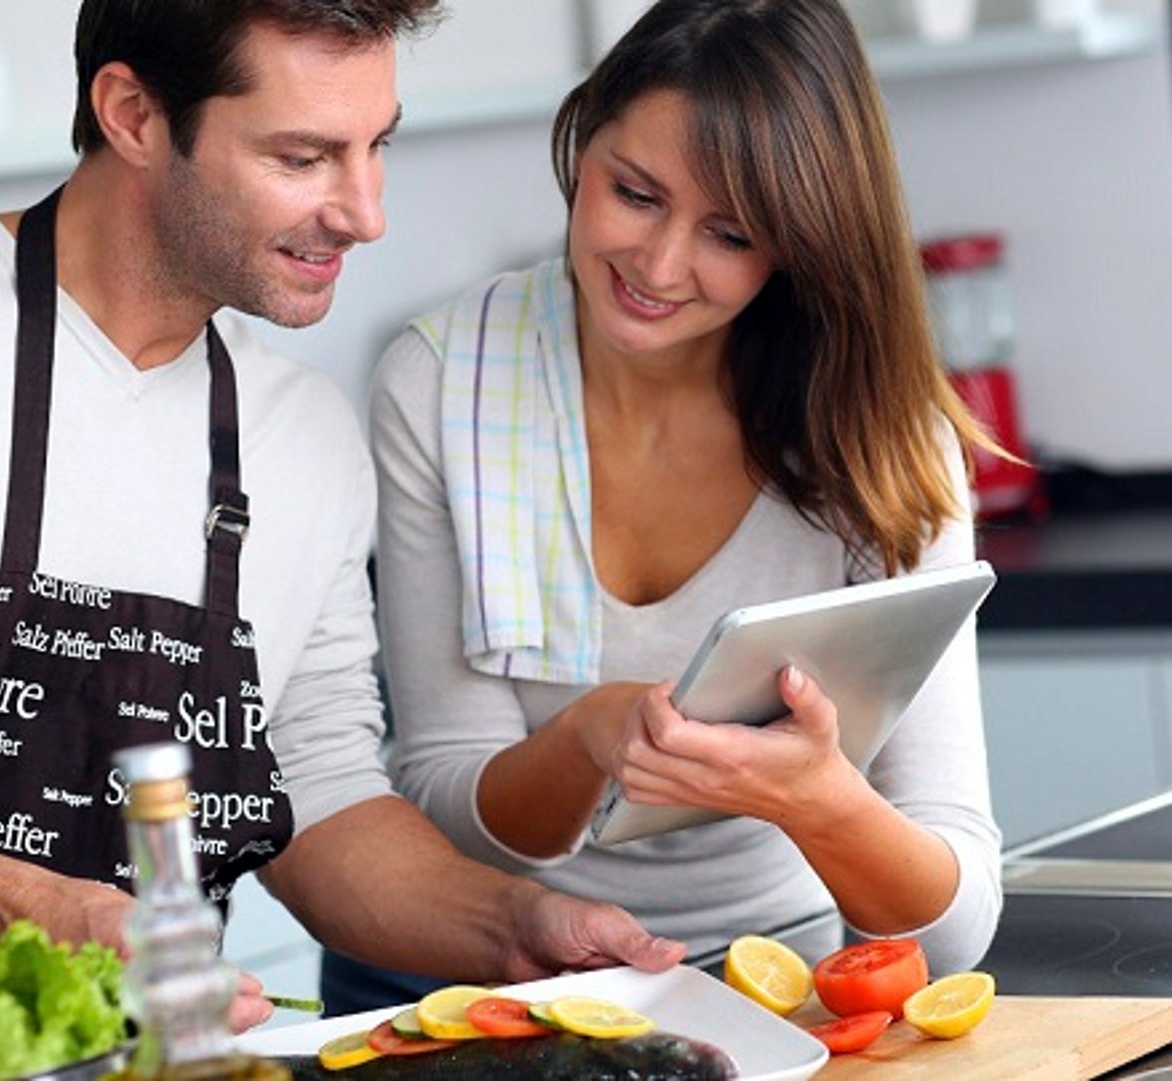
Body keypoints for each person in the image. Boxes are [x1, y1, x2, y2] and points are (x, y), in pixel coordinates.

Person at [0, 0, 684, 1027]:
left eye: (374, 146)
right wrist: (33, 911)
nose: (365, 210)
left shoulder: (301, 434)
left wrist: (512, 924)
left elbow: (320, 796)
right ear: (131, 114)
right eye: (304, 157)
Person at [341, 0, 1003, 1012]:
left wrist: (821, 801)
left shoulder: (880, 435)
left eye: (731, 234)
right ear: (582, 136)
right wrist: (589, 737)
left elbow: (951, 933)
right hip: (490, 984)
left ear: (799, 245)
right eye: (635, 193)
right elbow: (443, 789)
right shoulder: (439, 384)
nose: (658, 267)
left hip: (775, 987)